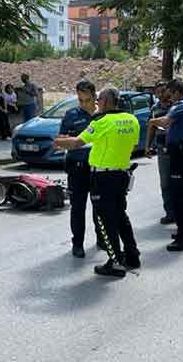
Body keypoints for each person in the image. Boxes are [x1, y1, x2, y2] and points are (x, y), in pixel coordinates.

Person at [54, 87, 140, 278]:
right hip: (121, 175)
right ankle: (133, 256)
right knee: (121, 217)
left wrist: (59, 143)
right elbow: (133, 145)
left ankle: (115, 262)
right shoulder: (132, 120)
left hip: (102, 177)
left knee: (104, 220)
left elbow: (77, 142)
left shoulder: (101, 121)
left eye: (98, 99)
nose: (96, 103)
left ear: (106, 101)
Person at [148, 79, 183, 251]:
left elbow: (165, 122)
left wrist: (152, 121)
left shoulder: (182, 106)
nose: (168, 97)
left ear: (177, 92)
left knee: (179, 195)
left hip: (181, 153)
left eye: (170, 93)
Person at [59, 80, 105, 258]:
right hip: (77, 168)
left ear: (95, 96)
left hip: (99, 168)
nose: (84, 104)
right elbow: (62, 139)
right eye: (81, 100)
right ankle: (77, 243)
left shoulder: (103, 114)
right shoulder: (71, 115)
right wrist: (71, 142)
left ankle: (102, 238)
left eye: (87, 99)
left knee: (99, 207)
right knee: (77, 208)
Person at [144, 82, 174, 225]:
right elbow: (151, 127)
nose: (161, 94)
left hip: (176, 148)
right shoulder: (155, 108)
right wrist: (147, 146)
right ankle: (169, 213)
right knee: (165, 183)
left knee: (179, 182)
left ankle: (182, 213)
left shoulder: (175, 106)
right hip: (162, 149)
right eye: (158, 92)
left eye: (163, 91)